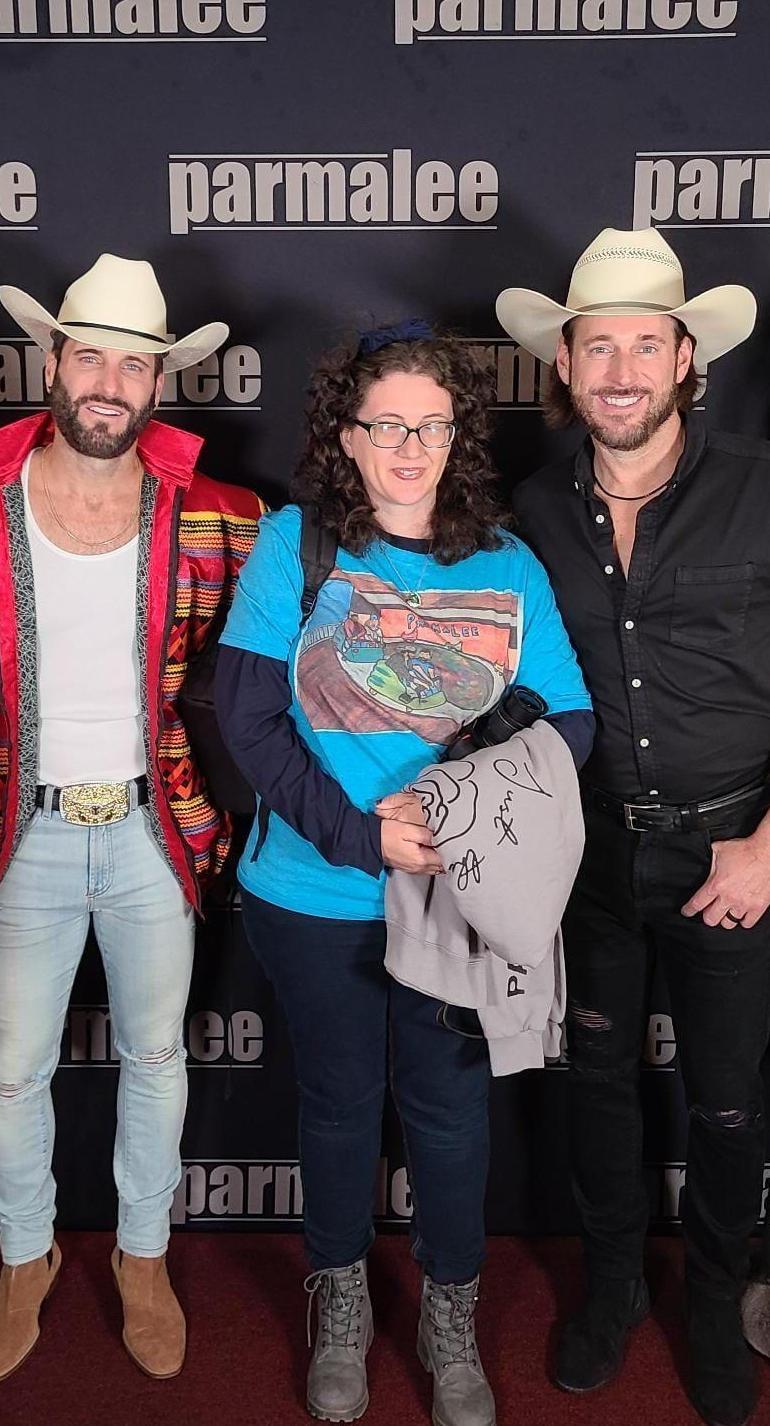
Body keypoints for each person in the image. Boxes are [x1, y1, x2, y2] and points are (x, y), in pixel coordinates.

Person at [215, 322, 593, 1426]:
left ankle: (449, 1312)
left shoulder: (507, 564)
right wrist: (358, 835)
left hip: (455, 895)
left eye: (432, 426)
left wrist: (456, 802)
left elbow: (568, 721)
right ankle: (338, 1300)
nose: (410, 448)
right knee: (338, 1103)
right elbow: (247, 715)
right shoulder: (296, 547)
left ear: (458, 436)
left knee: (447, 1108)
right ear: (348, 435)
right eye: (387, 425)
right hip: (315, 891)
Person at [0, 254, 263, 1383]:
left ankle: (143, 1254)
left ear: (160, 382)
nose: (110, 381)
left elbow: (299, 647)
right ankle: (27, 1255)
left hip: (157, 828)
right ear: (53, 363)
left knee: (157, 1053)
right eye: (91, 356)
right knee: (13, 1069)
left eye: (135, 364)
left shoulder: (221, 517)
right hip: (19, 835)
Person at [499, 227, 767, 1426]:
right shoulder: (525, 513)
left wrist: (769, 848)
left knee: (728, 1099)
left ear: (684, 359)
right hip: (590, 853)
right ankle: (610, 1285)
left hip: (734, 852)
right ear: (562, 363)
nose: (619, 371)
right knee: (596, 1080)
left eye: (643, 345)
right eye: (595, 346)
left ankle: (710, 1299)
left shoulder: (759, 490)